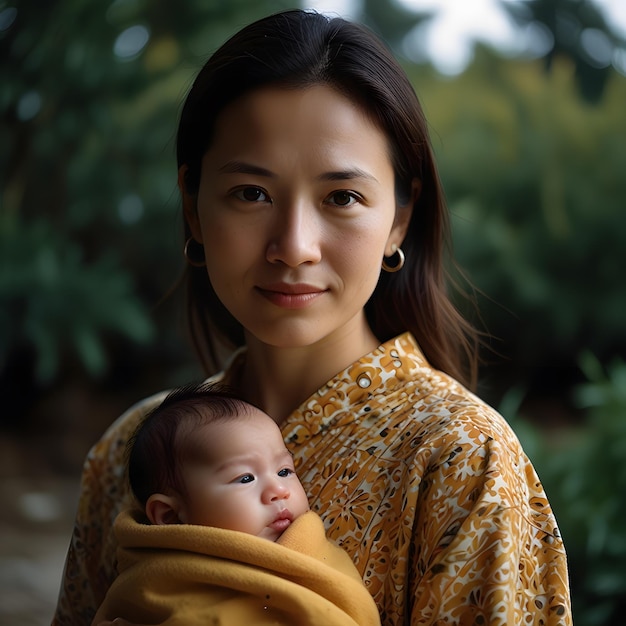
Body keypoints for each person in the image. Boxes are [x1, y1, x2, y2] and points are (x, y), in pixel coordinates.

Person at [52, 8, 572, 626]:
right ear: (194, 209)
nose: (295, 244)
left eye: (342, 197)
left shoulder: (459, 459)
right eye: (252, 193)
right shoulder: (129, 452)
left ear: (399, 219)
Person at [91, 382, 381, 626]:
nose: (278, 490)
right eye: (245, 478)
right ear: (168, 515)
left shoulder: (317, 556)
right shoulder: (156, 579)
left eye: (284, 471)